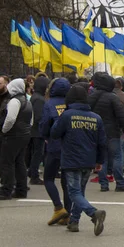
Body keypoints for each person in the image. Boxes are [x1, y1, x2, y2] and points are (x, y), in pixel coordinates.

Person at [50, 86, 107, 235]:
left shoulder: (67, 115)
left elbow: (54, 133)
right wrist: (100, 161)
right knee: (80, 191)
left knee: (74, 192)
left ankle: (94, 213)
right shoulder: (96, 117)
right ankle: (74, 221)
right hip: (89, 160)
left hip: (71, 159)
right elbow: (102, 142)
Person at [88, 72, 124, 192]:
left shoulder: (92, 96)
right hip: (112, 131)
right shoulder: (112, 97)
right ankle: (120, 183)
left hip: (97, 132)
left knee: (102, 158)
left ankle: (103, 184)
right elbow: (121, 115)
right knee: (117, 157)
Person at [0, 79, 32, 200]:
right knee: (20, 163)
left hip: (13, 135)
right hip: (24, 135)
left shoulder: (15, 101)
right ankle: (21, 189)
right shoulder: (27, 101)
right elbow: (31, 120)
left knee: (6, 163)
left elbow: (10, 119)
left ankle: (6, 190)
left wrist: (4, 130)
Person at [39, 78, 72, 225]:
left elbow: (44, 123)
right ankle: (68, 215)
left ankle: (58, 207)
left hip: (54, 145)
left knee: (48, 178)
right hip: (69, 145)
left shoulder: (49, 104)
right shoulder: (70, 103)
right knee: (66, 182)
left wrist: (45, 136)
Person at [27, 76, 49, 185]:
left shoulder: (35, 96)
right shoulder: (40, 99)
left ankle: (32, 171)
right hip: (37, 131)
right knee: (38, 153)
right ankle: (34, 175)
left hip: (33, 130)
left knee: (35, 153)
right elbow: (39, 117)